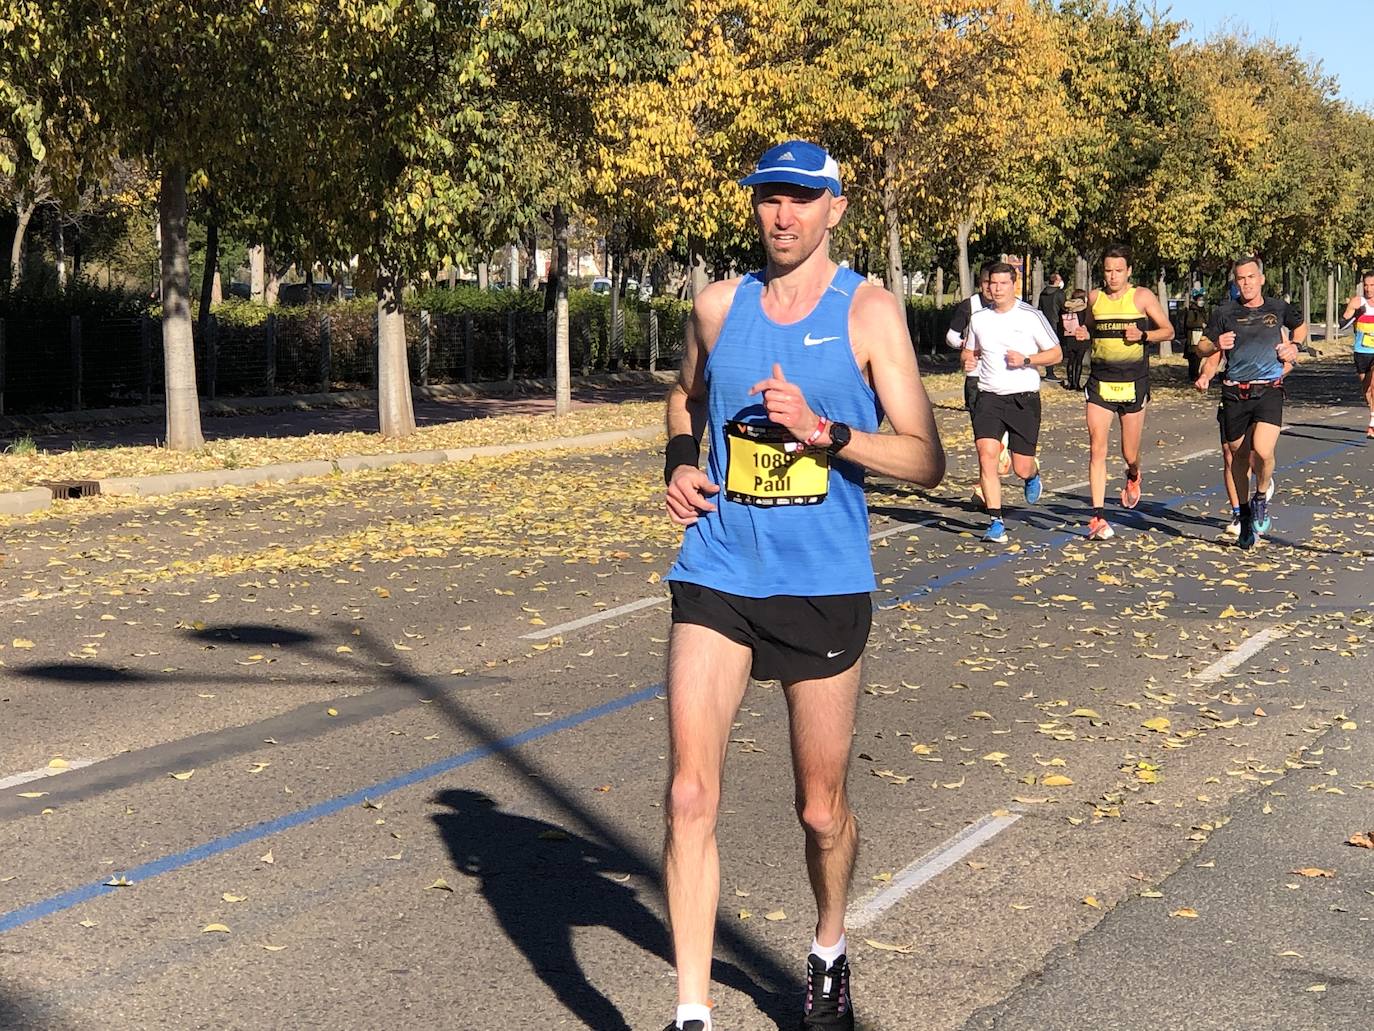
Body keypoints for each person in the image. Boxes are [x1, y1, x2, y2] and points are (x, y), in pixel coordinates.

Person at [660, 139, 945, 1031]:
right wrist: (678, 460)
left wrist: (830, 435)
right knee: (688, 794)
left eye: (800, 199)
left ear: (834, 208)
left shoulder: (868, 311)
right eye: (768, 199)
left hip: (821, 579)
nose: (782, 216)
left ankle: (827, 946)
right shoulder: (718, 306)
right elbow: (683, 396)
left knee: (820, 810)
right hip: (719, 569)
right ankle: (693, 1011)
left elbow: (927, 456)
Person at [1194, 255, 1304, 549]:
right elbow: (1201, 346)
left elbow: (1300, 326)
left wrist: (1294, 346)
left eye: (1251, 277)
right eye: (1241, 279)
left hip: (1268, 389)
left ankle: (1261, 497)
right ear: (1236, 282)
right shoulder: (1224, 312)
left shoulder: (1277, 308)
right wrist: (1217, 344)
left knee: (1263, 451)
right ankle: (1243, 516)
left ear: (1261, 279)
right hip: (1235, 392)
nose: (1246, 283)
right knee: (1238, 458)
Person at [1070, 245, 1171, 540]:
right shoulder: (1094, 298)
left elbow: (1168, 330)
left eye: (1118, 270)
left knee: (1129, 452)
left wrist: (1144, 335)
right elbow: (1089, 327)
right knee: (1097, 446)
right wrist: (1084, 334)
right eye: (1107, 270)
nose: (1112, 276)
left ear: (1128, 271)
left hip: (1133, 382)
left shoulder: (1141, 297)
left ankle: (1133, 474)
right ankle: (1098, 517)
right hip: (1100, 382)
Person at [961, 261, 1061, 543]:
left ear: (1013, 285)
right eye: (993, 284)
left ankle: (1032, 475)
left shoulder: (1030, 315)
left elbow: (1056, 353)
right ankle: (995, 521)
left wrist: (1028, 360)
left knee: (1020, 466)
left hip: (1023, 398)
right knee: (986, 456)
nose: (997, 289)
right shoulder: (979, 318)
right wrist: (967, 360)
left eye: (1003, 283)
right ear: (987, 286)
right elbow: (969, 352)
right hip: (989, 396)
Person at [946, 263, 1008, 501]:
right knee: (983, 438)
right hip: (976, 379)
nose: (992, 290)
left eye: (996, 284)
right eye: (987, 284)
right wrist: (965, 345)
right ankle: (986, 487)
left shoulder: (1010, 308)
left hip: (1004, 379)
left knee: (999, 434)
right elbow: (951, 336)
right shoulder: (969, 307)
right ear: (982, 285)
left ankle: (1001, 461)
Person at [1338, 269, 1374, 438]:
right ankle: (1373, 415)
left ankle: (1373, 423)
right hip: (1361, 351)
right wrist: (1356, 315)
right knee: (1366, 389)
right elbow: (1342, 325)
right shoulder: (1356, 302)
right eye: (1366, 285)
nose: (1368, 289)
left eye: (1372, 285)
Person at [1059, 288, 1090, 390]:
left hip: (1068, 336)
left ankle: (1070, 383)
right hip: (1080, 335)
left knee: (1070, 360)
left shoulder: (1066, 307)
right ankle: (1077, 384)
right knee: (1079, 361)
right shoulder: (1084, 308)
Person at [1037, 272, 1066, 382]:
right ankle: (1051, 372)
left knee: (1047, 348)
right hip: (1056, 322)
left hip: (1045, 322)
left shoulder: (1043, 293)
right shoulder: (1059, 293)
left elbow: (1040, 308)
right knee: (1055, 348)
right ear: (1056, 281)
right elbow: (1064, 307)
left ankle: (1049, 371)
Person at [1183, 287, 1210, 381]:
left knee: (1198, 357)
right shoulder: (1192, 311)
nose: (1202, 302)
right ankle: (1192, 375)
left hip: (1201, 336)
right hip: (1193, 337)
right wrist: (1200, 324)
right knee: (1193, 357)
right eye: (1200, 300)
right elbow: (1188, 323)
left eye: (1203, 300)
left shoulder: (1202, 311)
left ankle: (1195, 374)